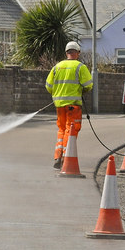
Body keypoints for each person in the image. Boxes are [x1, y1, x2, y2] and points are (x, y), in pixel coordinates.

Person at [46, 41, 93, 169]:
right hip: (74, 106)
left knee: (61, 130)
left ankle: (57, 156)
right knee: (71, 130)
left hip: (59, 105)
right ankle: (67, 156)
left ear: (66, 53)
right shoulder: (80, 67)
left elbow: (48, 86)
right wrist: (81, 91)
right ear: (77, 53)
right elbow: (88, 85)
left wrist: (58, 94)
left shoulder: (57, 67)